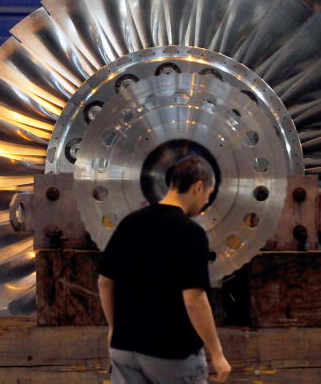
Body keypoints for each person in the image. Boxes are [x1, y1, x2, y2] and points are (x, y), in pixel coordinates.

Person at [97, 155, 231, 383]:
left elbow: (105, 281)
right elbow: (193, 299)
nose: (205, 203)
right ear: (198, 187)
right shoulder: (191, 232)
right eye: (208, 195)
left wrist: (115, 327)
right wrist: (217, 354)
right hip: (171, 354)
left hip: (124, 351)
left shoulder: (130, 222)